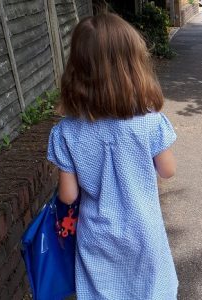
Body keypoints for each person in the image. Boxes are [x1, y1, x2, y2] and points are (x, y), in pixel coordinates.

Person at [47, 13, 178, 299]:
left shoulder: (67, 132)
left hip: (96, 235)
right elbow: (167, 170)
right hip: (144, 231)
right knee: (150, 290)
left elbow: (68, 196)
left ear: (77, 70)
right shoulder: (150, 122)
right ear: (134, 66)